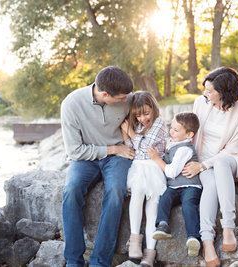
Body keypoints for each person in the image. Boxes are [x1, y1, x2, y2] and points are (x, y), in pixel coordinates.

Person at [61, 66, 135, 267]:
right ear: (104, 94)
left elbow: (149, 121)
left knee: (116, 192)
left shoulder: (128, 98)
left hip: (118, 156)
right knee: (71, 190)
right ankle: (74, 260)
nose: (125, 101)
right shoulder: (71, 104)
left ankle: (100, 262)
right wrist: (111, 149)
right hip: (87, 158)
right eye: (120, 98)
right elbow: (75, 152)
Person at [182, 67, 238, 267]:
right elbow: (190, 134)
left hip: (229, 159)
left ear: (224, 93)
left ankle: (229, 227)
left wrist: (204, 164)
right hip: (201, 161)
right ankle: (207, 241)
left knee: (220, 163)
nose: (205, 94)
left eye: (210, 91)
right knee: (211, 184)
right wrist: (196, 163)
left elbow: (233, 149)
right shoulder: (200, 103)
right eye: (205, 89)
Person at [120, 91, 167, 267]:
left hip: (154, 168)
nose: (142, 119)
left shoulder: (159, 123)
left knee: (152, 207)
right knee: (137, 194)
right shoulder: (137, 126)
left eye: (146, 113)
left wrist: (130, 132)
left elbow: (146, 146)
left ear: (153, 108)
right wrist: (127, 135)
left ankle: (150, 252)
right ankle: (134, 241)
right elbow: (131, 148)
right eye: (137, 115)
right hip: (139, 167)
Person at [148, 112, 202, 258]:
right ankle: (163, 225)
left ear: (189, 134)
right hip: (174, 187)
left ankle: (193, 237)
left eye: (176, 130)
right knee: (165, 199)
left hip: (190, 186)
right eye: (171, 128)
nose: (171, 132)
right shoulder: (174, 144)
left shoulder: (184, 149)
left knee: (188, 205)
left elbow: (171, 172)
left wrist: (156, 159)